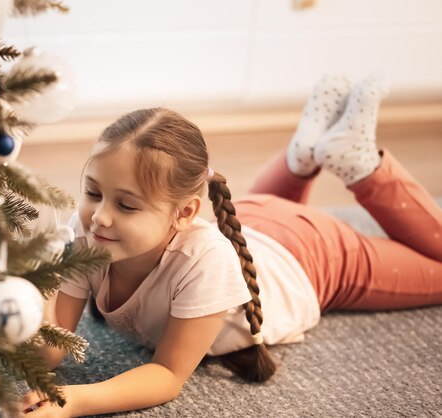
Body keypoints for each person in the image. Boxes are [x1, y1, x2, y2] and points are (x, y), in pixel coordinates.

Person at [22, 73, 442, 417]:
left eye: (126, 205)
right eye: (93, 193)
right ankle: (302, 155)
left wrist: (72, 400)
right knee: (260, 212)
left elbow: (167, 373)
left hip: (313, 256)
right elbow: (49, 354)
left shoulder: (205, 260)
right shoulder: (90, 233)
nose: (100, 216)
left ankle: (360, 165)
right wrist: (42, 287)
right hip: (253, 223)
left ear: (185, 213)